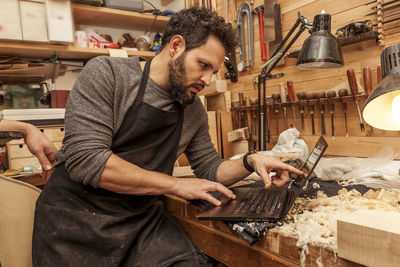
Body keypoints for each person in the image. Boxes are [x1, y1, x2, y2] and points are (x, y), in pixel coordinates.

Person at [32, 7, 305, 267]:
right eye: (203, 65)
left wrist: (250, 161)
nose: (208, 80)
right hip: (74, 223)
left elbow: (209, 168)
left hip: (138, 221)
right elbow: (86, 160)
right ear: (175, 46)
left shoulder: (192, 108)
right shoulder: (108, 75)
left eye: (213, 71)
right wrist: (174, 185)